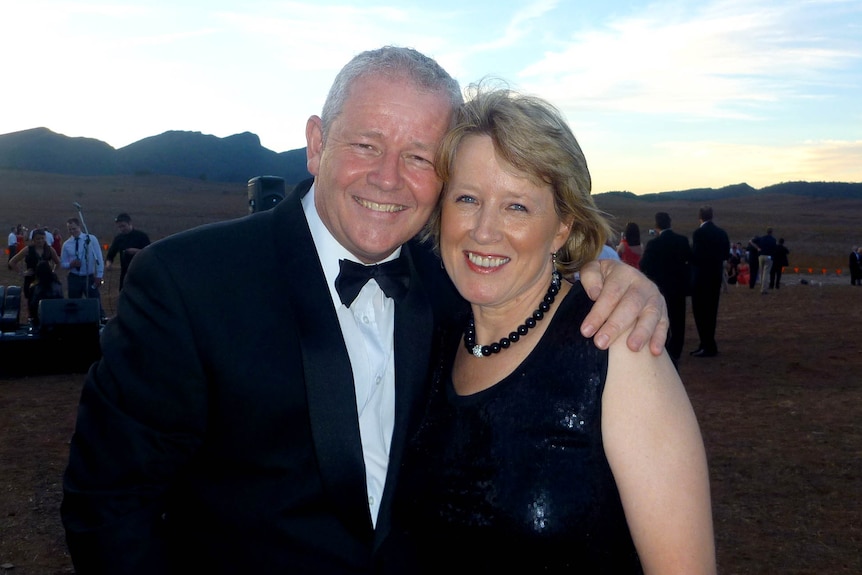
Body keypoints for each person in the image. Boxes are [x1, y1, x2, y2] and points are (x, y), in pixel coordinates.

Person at [61, 47, 668, 575]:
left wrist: (616, 279)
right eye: (365, 145)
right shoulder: (189, 284)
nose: (387, 179)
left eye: (419, 157)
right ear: (316, 144)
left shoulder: (454, 279)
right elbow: (109, 507)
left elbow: (536, 271)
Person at [393, 86, 715, 573]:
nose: (484, 230)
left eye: (517, 206)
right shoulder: (431, 337)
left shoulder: (614, 346)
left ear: (563, 226)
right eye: (467, 198)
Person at [640, 211, 693, 369]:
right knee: (678, 322)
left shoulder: (653, 244)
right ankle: (675, 352)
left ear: (656, 226)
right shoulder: (682, 241)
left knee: (661, 320)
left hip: (660, 289)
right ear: (670, 223)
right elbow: (691, 260)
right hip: (678, 288)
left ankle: (662, 351)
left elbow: (644, 265)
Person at [690, 205, 730, 357]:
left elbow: (696, 256)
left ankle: (706, 344)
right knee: (712, 311)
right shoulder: (721, 233)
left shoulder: (699, 233)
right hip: (715, 276)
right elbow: (726, 254)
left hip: (701, 278)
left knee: (700, 312)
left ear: (700, 217)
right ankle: (709, 343)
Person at [59, 217, 105, 319]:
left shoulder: (91, 239)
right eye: (70, 229)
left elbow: (99, 258)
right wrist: (71, 265)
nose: (72, 231)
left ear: (79, 227)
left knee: (95, 302)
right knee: (74, 304)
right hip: (74, 277)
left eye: (74, 228)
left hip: (89, 277)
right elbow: (62, 263)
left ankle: (100, 321)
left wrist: (99, 275)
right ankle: (75, 322)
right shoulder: (67, 244)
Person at [7, 228, 61, 314]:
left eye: (42, 238)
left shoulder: (49, 249)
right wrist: (22, 273)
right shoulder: (28, 249)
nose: (40, 241)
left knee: (47, 302)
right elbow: (12, 262)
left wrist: (53, 272)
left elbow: (58, 262)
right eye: (38, 239)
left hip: (46, 281)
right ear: (33, 240)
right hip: (31, 280)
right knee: (32, 303)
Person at [105, 212, 151, 290]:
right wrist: (108, 263)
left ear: (130, 223)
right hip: (125, 273)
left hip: (140, 272)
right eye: (119, 227)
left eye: (123, 226)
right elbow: (110, 255)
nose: (122, 229)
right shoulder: (118, 239)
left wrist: (136, 251)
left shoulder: (142, 236)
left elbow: (150, 254)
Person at [28, 260, 64, 326]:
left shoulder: (34, 288)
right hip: (56, 319)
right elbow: (61, 303)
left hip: (38, 320)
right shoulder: (57, 286)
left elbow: (31, 307)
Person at [751, 227, 777, 294]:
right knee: (766, 274)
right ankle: (763, 289)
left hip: (761, 256)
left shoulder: (762, 238)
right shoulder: (773, 240)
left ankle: (762, 287)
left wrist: (757, 248)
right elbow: (774, 250)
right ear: (772, 232)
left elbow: (751, 241)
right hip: (768, 257)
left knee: (761, 273)